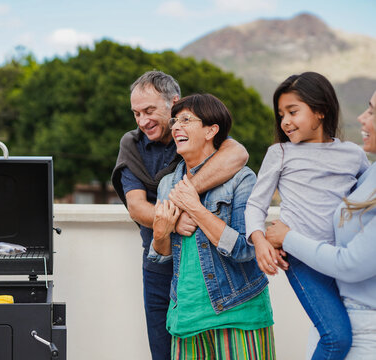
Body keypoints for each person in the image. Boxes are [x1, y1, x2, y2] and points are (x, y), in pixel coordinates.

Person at [111, 71, 249, 359]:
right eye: (136, 113)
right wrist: (172, 222)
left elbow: (238, 154)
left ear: (173, 104)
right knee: (163, 350)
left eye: (149, 111)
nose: (142, 121)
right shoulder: (132, 144)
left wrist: (181, 199)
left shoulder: (194, 129)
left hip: (208, 266)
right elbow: (136, 206)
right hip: (159, 263)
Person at [244, 72, 370, 360]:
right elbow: (255, 205)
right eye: (281, 114)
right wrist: (260, 240)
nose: (285, 121)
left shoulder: (352, 154)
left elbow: (368, 197)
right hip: (302, 262)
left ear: (321, 111)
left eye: (292, 112)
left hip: (341, 259)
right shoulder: (281, 153)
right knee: (336, 338)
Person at [150, 94, 275, 360]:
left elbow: (246, 249)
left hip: (238, 312)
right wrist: (161, 232)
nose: (175, 127)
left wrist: (195, 208)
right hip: (185, 318)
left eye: (185, 120)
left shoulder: (242, 178)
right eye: (174, 121)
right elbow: (162, 255)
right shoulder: (166, 185)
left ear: (211, 130)